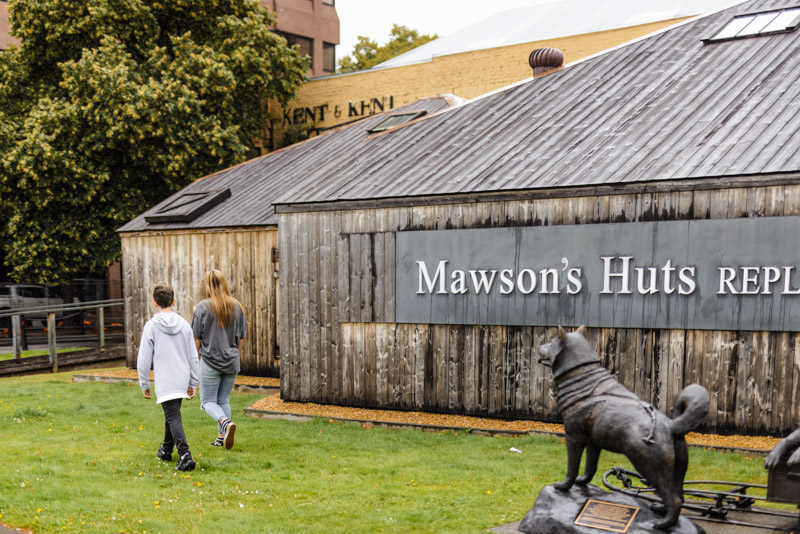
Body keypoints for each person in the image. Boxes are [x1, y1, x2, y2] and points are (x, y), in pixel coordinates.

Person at [137, 285, 199, 472]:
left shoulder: (151, 326)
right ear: (173, 302)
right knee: (171, 414)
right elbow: (193, 355)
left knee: (173, 415)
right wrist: (193, 381)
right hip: (181, 377)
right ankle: (166, 449)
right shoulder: (184, 325)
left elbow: (144, 357)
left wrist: (144, 382)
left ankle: (185, 454)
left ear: (155, 303)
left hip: (165, 379)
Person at [193, 270, 246, 449]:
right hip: (232, 361)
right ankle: (221, 437)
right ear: (224, 283)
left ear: (207, 285)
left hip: (210, 361)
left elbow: (196, 340)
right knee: (223, 399)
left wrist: (197, 362)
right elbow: (242, 338)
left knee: (207, 401)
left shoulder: (202, 307)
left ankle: (224, 423)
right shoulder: (237, 306)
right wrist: (235, 355)